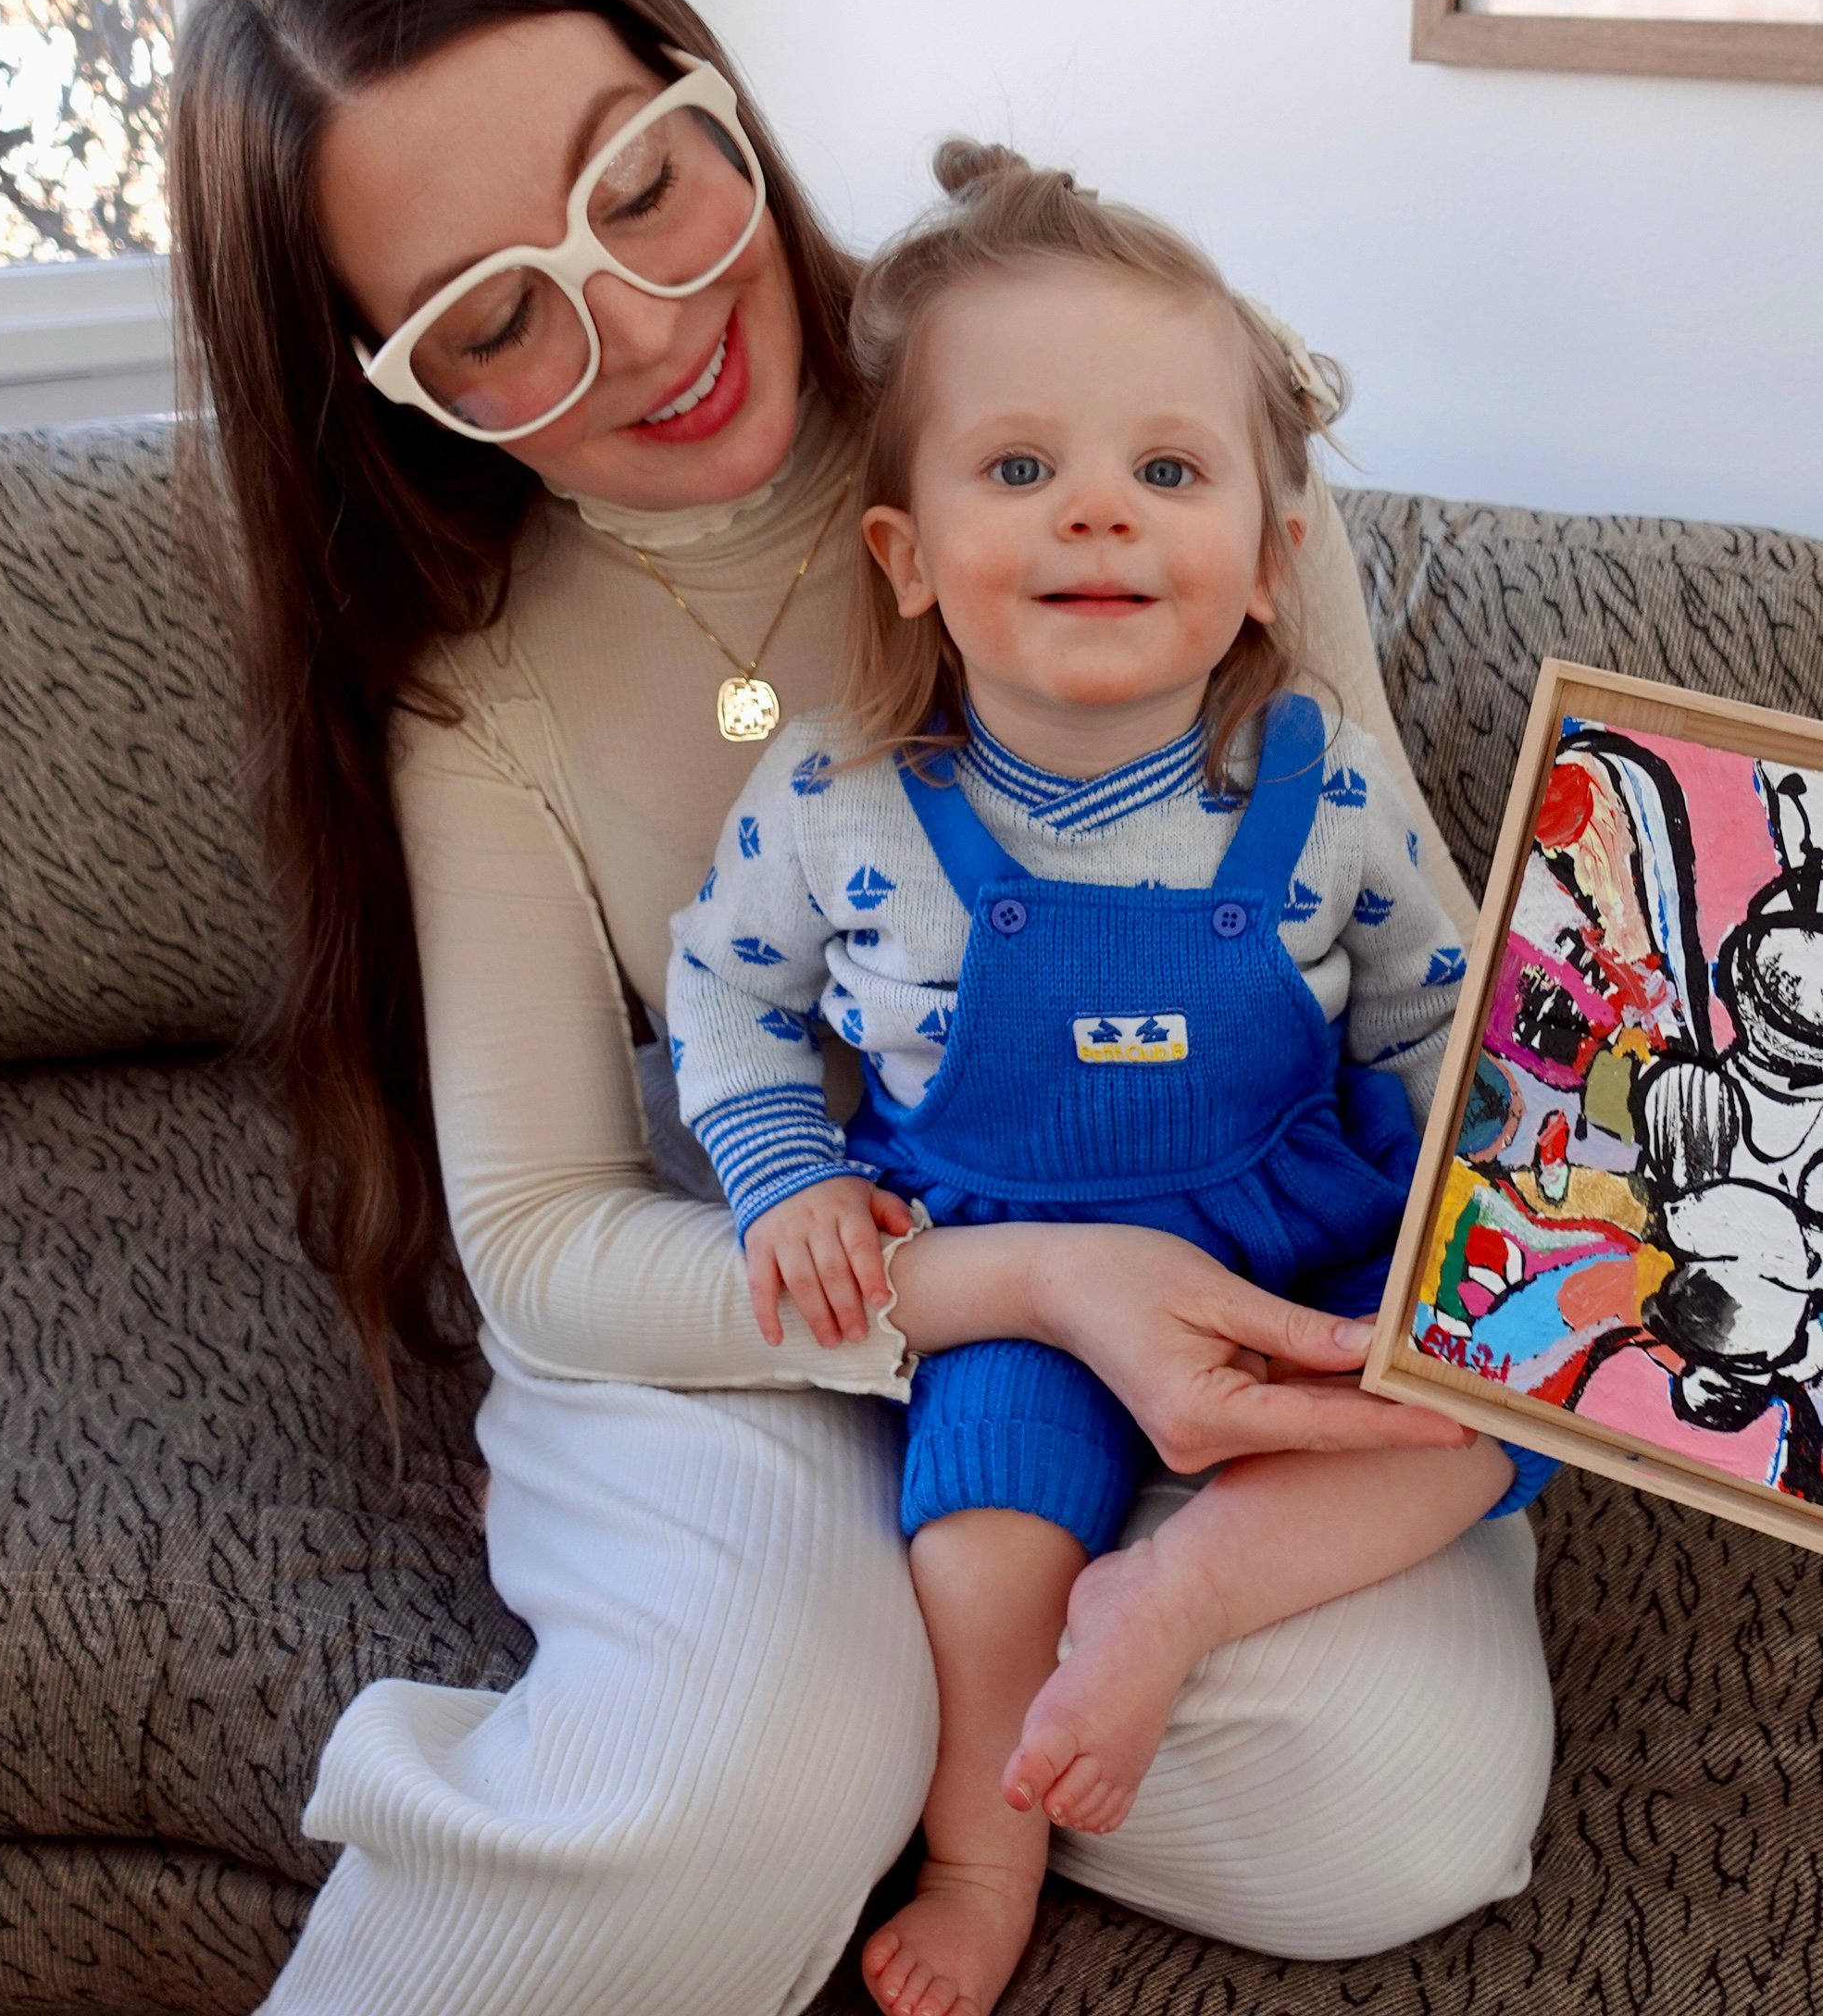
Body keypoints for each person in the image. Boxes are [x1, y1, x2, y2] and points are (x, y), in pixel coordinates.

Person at [163, 0, 1823, 2016]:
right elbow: (542, 1237)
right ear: (384, 379)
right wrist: (1033, 1285)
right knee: (743, 1764)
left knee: (1404, 1809)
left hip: (1246, 1216)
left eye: (641, 181)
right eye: (493, 315)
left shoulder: (1095, 377)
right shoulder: (477, 691)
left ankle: (904, 1723)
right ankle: (831, 1744)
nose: (631, 317)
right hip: (768, 1266)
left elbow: (1473, 1020)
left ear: (712, 99)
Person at [666, 145, 1566, 2016]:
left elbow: (1443, 1013)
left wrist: (1492, 1210)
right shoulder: (840, 795)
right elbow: (731, 1007)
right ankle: (986, 1855)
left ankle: (1180, 1596)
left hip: (1297, 1229)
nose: (1097, 516)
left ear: (1266, 560)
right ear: (906, 557)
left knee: (1476, 1416)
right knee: (984, 1530)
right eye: (1020, 471)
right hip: (1010, 1255)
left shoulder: (1323, 779)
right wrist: (789, 1183)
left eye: (1167, 472)